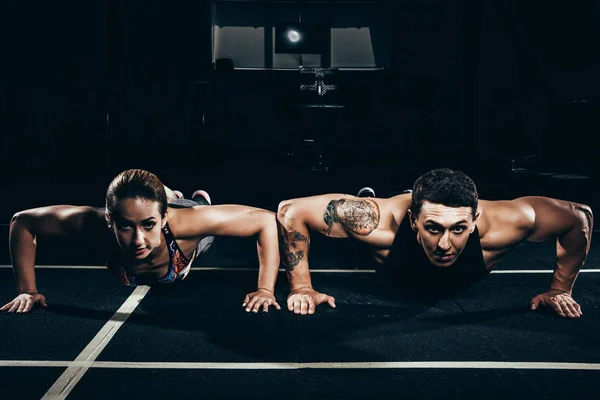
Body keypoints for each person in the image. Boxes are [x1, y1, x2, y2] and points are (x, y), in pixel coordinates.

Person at [277, 168, 593, 317]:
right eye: (432, 228)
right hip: (392, 266)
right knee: (361, 236)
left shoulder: (509, 222)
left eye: (458, 228)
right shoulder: (378, 222)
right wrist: (301, 286)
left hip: (457, 273)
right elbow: (291, 211)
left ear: (476, 218)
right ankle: (369, 197)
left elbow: (579, 217)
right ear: (414, 220)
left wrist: (560, 290)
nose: (444, 244)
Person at [2, 169, 281, 314]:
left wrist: (265, 289)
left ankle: (193, 199)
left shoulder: (186, 224)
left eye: (147, 225)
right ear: (111, 221)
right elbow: (22, 222)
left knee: (201, 227)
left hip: (183, 246)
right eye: (124, 226)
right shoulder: (92, 223)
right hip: (160, 211)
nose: (138, 240)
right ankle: (167, 198)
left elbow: (265, 220)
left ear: (162, 220)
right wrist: (27, 289)